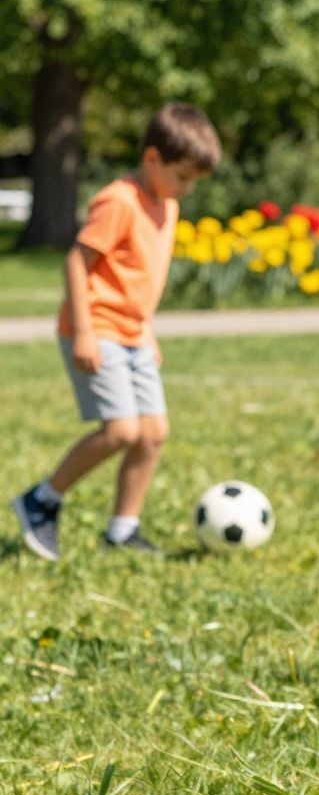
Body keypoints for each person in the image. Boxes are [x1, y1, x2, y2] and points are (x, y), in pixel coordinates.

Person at [11, 102, 221, 561]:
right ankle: (41, 499)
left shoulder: (166, 204)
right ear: (152, 159)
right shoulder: (119, 201)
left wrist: (146, 330)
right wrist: (83, 332)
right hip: (96, 328)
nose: (186, 189)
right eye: (182, 176)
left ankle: (123, 529)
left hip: (132, 333)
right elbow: (77, 262)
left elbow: (138, 279)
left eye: (194, 181)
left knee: (153, 433)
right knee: (122, 431)